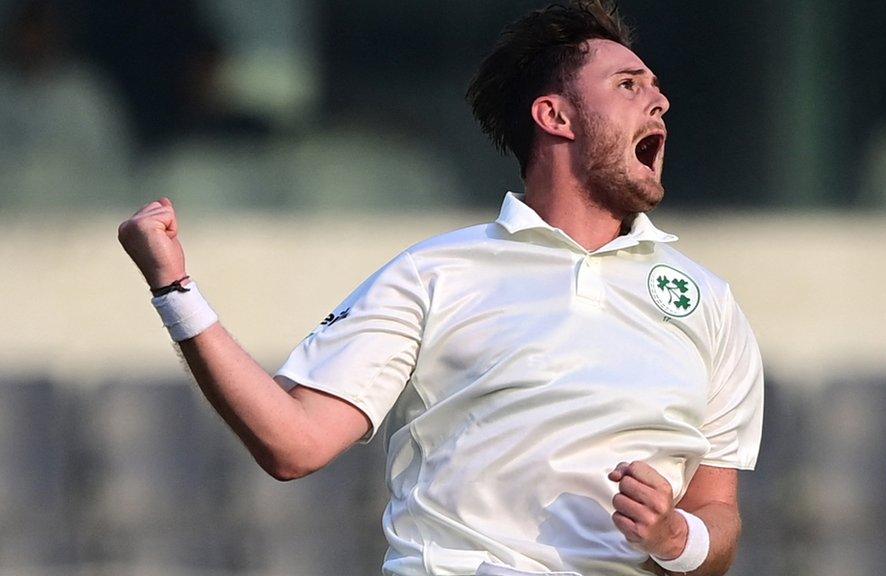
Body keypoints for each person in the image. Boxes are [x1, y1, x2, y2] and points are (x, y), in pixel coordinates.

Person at [117, 2, 763, 575]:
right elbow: (293, 442)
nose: (660, 101)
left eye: (655, 87)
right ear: (555, 116)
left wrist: (676, 536)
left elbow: (717, 511)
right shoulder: (435, 274)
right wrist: (175, 290)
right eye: (628, 84)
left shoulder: (709, 303)